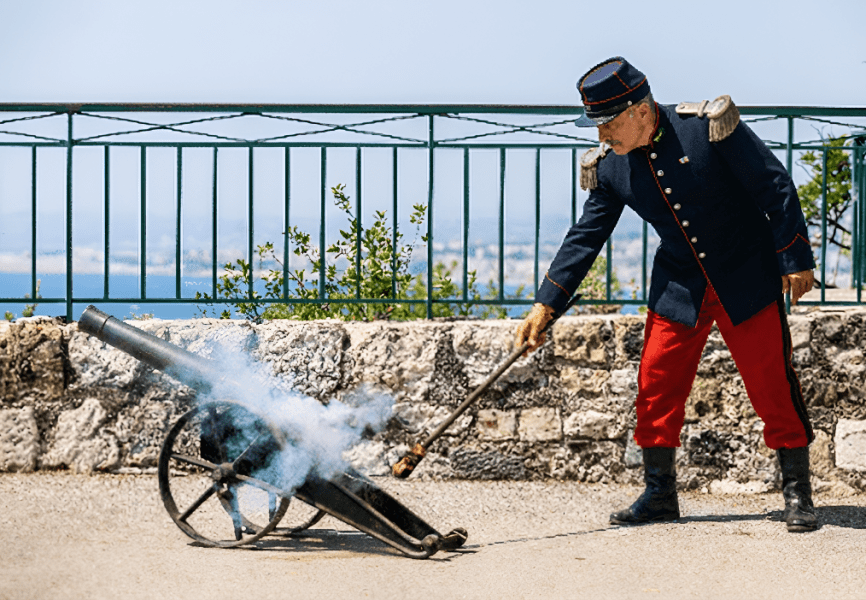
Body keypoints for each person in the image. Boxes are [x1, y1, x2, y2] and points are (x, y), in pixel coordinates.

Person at [514, 57, 817, 532]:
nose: (601, 138)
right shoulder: (612, 168)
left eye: (608, 124)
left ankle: (798, 494)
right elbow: (586, 236)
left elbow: (773, 186)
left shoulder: (708, 129)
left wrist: (795, 258)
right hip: (679, 285)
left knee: (772, 384)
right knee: (655, 385)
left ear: (639, 110)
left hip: (745, 276)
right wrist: (544, 304)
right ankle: (660, 495)